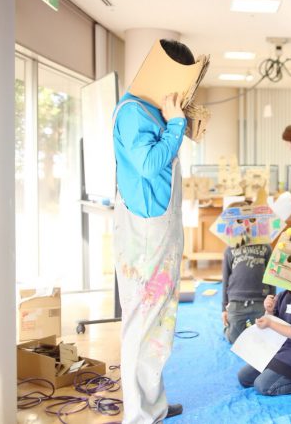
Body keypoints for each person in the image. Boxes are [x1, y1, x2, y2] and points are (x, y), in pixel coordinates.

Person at [112, 39, 195, 422]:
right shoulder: (133, 111)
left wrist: (177, 121)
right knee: (143, 322)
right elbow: (148, 164)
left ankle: (153, 405)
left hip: (156, 227)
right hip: (146, 232)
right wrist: (176, 123)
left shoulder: (147, 110)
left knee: (158, 323)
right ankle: (140, 414)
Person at [237, 291, 291, 395]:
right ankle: (282, 377)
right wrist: (269, 311)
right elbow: (273, 323)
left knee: (263, 386)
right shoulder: (282, 295)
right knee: (244, 378)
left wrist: (270, 323)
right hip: (278, 350)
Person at [221, 201, 275, 344]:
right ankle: (229, 328)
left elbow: (272, 276)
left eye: (248, 220)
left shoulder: (266, 247)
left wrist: (273, 302)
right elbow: (225, 279)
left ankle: (247, 327)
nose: (244, 225)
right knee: (234, 340)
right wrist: (224, 308)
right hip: (236, 302)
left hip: (260, 301)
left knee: (263, 337)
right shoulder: (230, 249)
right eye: (239, 221)